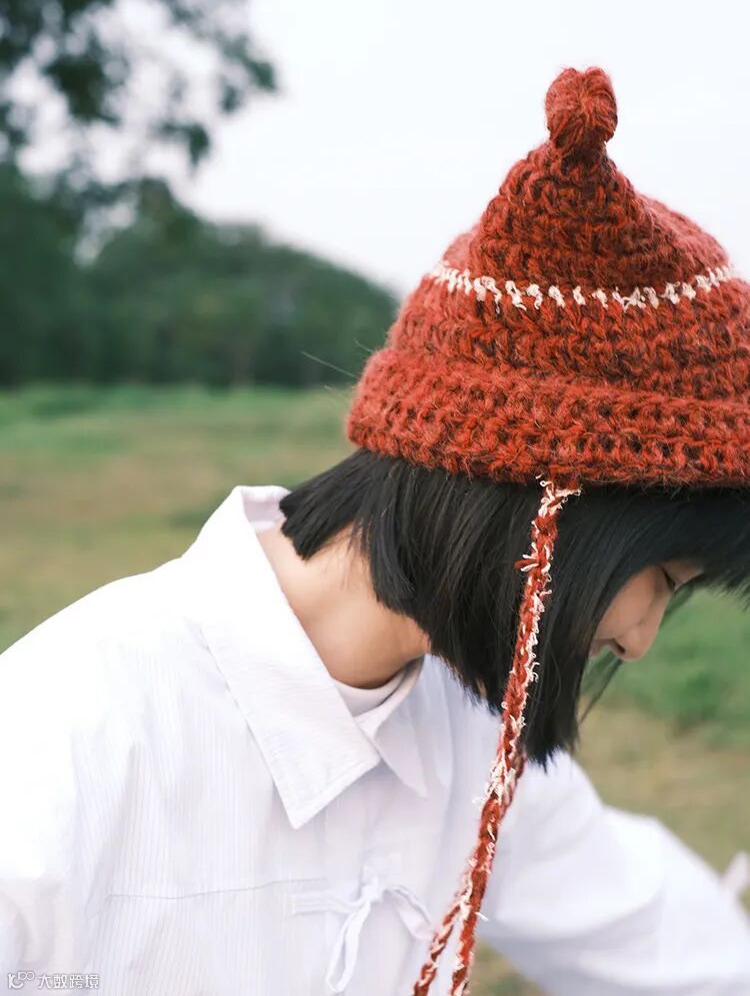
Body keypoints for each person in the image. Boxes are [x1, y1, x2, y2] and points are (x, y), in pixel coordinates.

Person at [1, 64, 749, 995]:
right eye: (663, 582)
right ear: (550, 508)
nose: (639, 641)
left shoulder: (469, 732)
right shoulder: (60, 745)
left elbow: (659, 940)